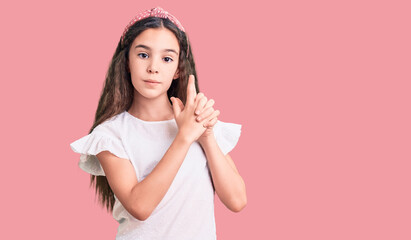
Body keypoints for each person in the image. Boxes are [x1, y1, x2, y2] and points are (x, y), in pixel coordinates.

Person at [70, 6, 246, 240]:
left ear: (177, 70)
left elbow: (237, 201)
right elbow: (140, 207)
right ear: (126, 62)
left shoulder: (198, 124)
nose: (153, 67)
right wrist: (184, 137)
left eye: (166, 58)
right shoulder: (111, 135)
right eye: (143, 55)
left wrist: (205, 136)